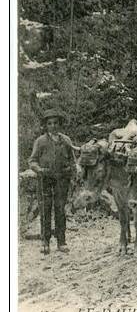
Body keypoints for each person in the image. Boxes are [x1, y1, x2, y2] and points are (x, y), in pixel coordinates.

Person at [29, 109, 76, 254]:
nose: (53, 126)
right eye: (50, 123)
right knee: (45, 210)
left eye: (56, 123)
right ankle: (45, 241)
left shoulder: (66, 141)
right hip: (45, 180)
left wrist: (72, 172)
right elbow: (32, 160)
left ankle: (61, 242)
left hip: (62, 180)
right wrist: (39, 169)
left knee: (60, 210)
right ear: (46, 126)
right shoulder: (41, 141)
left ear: (60, 124)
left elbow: (73, 161)